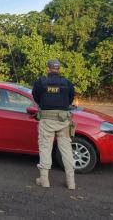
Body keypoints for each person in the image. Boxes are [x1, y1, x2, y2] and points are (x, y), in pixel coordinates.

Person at [32, 59, 76, 190]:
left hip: (47, 120)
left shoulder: (41, 82)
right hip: (63, 120)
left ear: (48, 69)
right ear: (59, 69)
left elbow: (36, 97)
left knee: (45, 149)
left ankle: (44, 180)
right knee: (66, 151)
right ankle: (71, 182)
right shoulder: (67, 82)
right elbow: (71, 97)